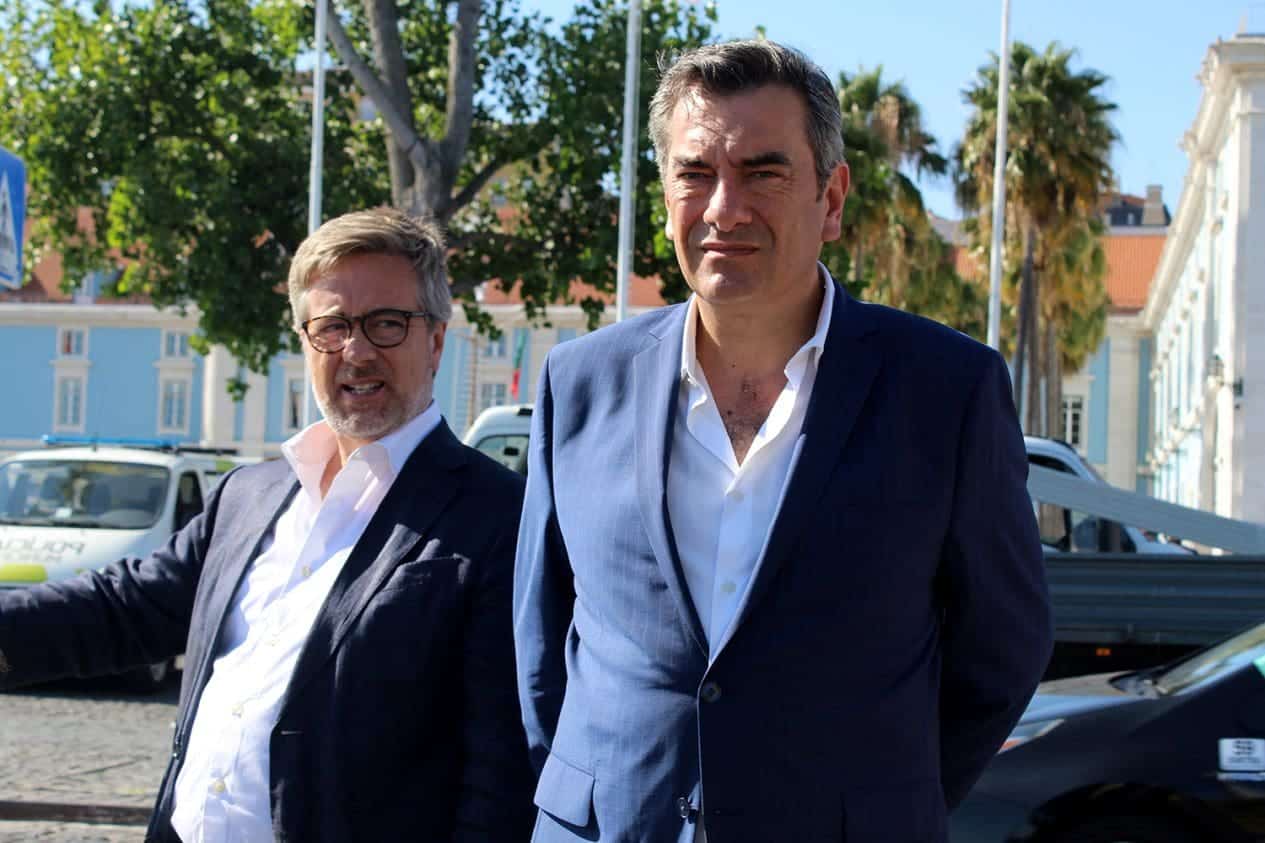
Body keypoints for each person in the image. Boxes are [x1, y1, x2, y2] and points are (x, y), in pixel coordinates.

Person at [514, 40, 1052, 842]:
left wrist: (883, 801)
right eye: (695, 173)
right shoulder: (579, 381)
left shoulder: (946, 390)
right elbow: (539, 642)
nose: (724, 208)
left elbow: (1002, 648)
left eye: (762, 173)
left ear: (831, 198)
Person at [0, 208, 535, 842]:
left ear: (437, 341)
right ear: (305, 341)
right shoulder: (248, 494)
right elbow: (128, 608)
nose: (357, 351)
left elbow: (500, 776)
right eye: (331, 327)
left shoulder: (500, 517)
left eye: (387, 324)